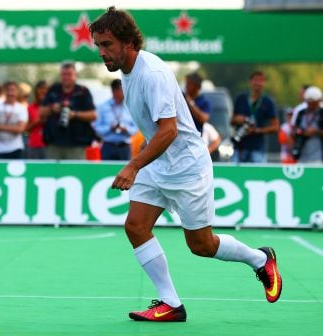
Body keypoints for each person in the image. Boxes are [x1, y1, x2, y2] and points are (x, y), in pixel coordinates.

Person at [90, 7, 282, 322]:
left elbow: (169, 130)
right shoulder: (125, 70)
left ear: (128, 42)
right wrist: (143, 165)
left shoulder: (152, 73)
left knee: (201, 245)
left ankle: (261, 259)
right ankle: (171, 304)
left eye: (107, 44)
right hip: (157, 163)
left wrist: (133, 166)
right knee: (136, 226)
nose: (102, 52)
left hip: (187, 168)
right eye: (98, 45)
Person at [39, 62, 97, 160]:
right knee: (52, 173)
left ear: (75, 75)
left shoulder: (83, 91)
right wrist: (52, 108)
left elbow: (93, 115)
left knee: (76, 173)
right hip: (54, 142)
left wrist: (75, 115)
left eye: (69, 74)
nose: (66, 77)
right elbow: (41, 113)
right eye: (64, 74)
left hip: (76, 143)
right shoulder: (53, 89)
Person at [230, 71, 279, 163]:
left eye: (261, 81)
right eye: (255, 80)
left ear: (264, 83)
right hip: (240, 146)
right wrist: (238, 119)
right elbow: (231, 121)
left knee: (258, 175)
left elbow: (275, 127)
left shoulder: (268, 101)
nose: (258, 83)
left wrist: (257, 130)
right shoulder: (241, 98)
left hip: (258, 148)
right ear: (250, 81)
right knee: (236, 174)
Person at [94, 79, 137, 160]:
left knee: (125, 171)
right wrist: (109, 128)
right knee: (106, 172)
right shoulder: (102, 107)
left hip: (125, 147)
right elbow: (97, 128)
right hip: (108, 146)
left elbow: (136, 127)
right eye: (121, 90)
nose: (124, 93)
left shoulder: (130, 107)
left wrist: (127, 129)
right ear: (114, 91)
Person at [0, 81, 28, 159]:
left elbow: (20, 128)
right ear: (4, 92)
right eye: (8, 90)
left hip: (15, 149)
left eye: (13, 90)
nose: (10, 93)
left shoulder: (22, 109)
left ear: (17, 92)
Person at [291, 86, 323, 163]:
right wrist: (299, 132)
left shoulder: (321, 114)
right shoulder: (301, 113)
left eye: (313, 102)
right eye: (309, 102)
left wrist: (316, 131)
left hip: (319, 156)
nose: (310, 104)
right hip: (302, 154)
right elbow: (293, 131)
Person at [26, 80, 49, 159]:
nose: (43, 91)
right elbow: (26, 129)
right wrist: (38, 121)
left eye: (45, 89)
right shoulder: (30, 108)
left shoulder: (52, 108)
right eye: (40, 89)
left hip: (49, 145)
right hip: (34, 144)